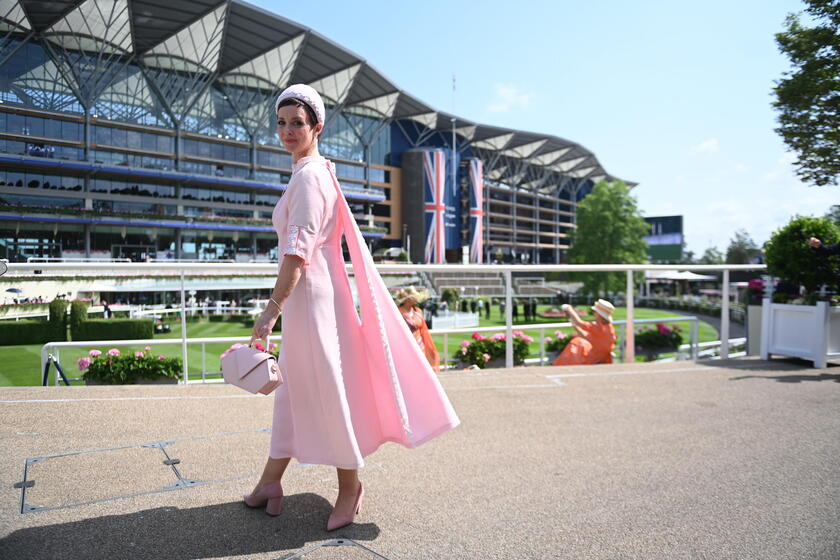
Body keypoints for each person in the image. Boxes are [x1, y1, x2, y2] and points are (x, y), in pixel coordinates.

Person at [248, 84, 459, 531]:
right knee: (296, 388)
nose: (287, 130)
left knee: (327, 389)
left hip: (313, 298)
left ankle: (350, 486)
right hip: (311, 297)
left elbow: (297, 252)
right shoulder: (312, 170)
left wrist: (269, 313)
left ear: (317, 127)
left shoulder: (309, 177)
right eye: (281, 122)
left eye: (297, 123)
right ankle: (271, 481)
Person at [552, 299, 616, 366]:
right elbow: (586, 336)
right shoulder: (608, 327)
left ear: (599, 314)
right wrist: (574, 324)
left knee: (576, 343)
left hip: (594, 359)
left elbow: (579, 322)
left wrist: (569, 309)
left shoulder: (599, 327)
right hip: (602, 358)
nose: (593, 313)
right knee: (579, 343)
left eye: (595, 311)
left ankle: (559, 366)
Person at [395, 287, 440, 371]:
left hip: (420, 346)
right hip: (404, 346)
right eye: (414, 297)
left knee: (420, 369)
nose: (416, 299)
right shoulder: (397, 312)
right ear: (407, 299)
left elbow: (423, 330)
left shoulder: (418, 311)